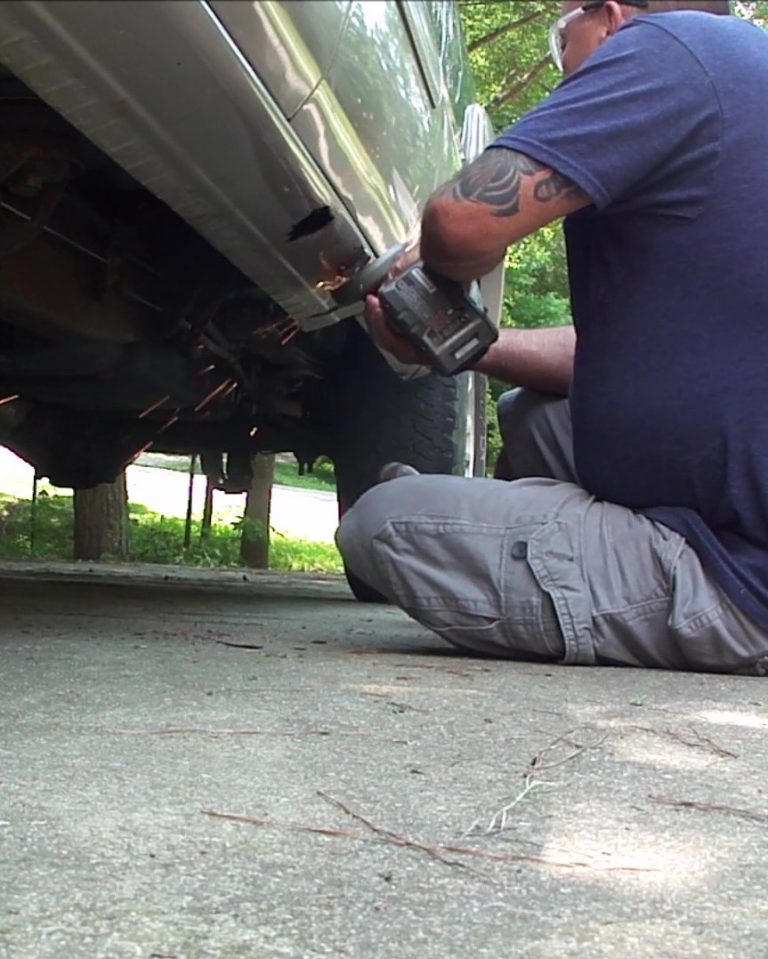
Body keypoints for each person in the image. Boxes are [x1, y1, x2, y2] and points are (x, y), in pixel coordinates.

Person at [336, 0, 768, 674]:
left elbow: (460, 224)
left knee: (382, 521)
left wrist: (435, 269)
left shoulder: (667, 48)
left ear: (612, 18)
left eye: (561, 39)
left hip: (740, 574)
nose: (564, 71)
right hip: (742, 498)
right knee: (533, 416)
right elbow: (629, 357)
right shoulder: (741, 81)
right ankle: (525, 537)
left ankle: (488, 534)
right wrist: (477, 347)